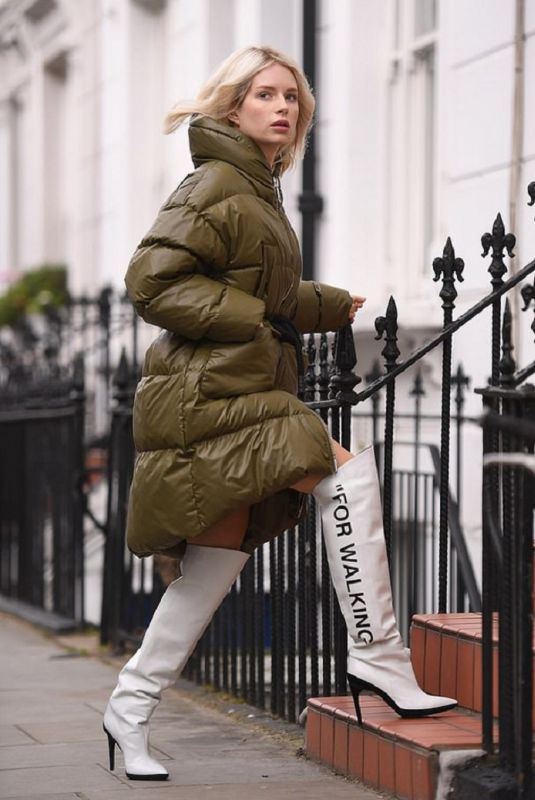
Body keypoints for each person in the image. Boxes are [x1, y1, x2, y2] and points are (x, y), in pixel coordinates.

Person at [103, 45, 456, 782]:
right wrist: (251, 320)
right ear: (234, 107)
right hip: (211, 391)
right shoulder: (215, 183)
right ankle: (379, 657)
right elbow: (150, 281)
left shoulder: (256, 188)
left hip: (237, 387)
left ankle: (128, 708)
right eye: (265, 95)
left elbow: (258, 289)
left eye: (290, 97)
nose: (283, 107)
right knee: (344, 474)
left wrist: (326, 305)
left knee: (214, 563)